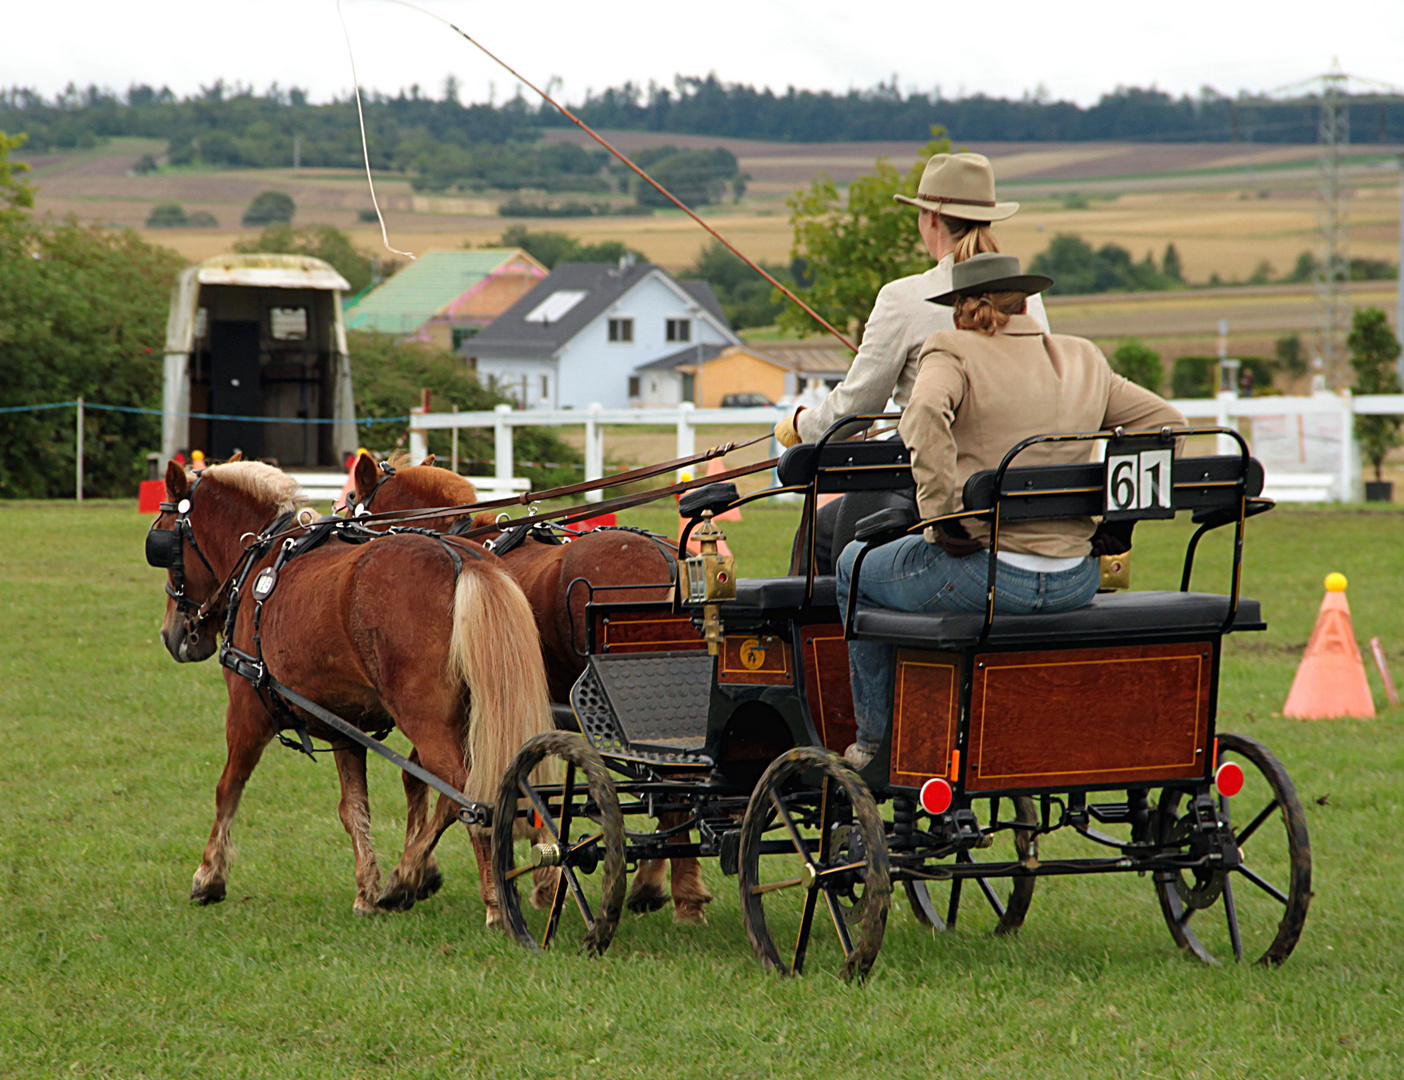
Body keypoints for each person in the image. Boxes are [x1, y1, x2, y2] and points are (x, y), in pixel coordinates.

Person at [834, 253, 1186, 770]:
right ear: (1024, 305)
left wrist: (941, 518)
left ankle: (872, 742)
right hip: (1074, 578)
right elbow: (1168, 423)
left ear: (961, 308)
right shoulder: (1083, 358)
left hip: (988, 576)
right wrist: (1120, 520)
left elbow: (925, 412)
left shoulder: (950, 350)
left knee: (853, 565)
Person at [773, 152, 1051, 574]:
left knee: (821, 529)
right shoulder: (1026, 298)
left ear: (932, 218)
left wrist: (801, 425)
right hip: (1014, 477)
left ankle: (825, 636)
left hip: (929, 485)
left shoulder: (903, 298)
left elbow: (852, 413)